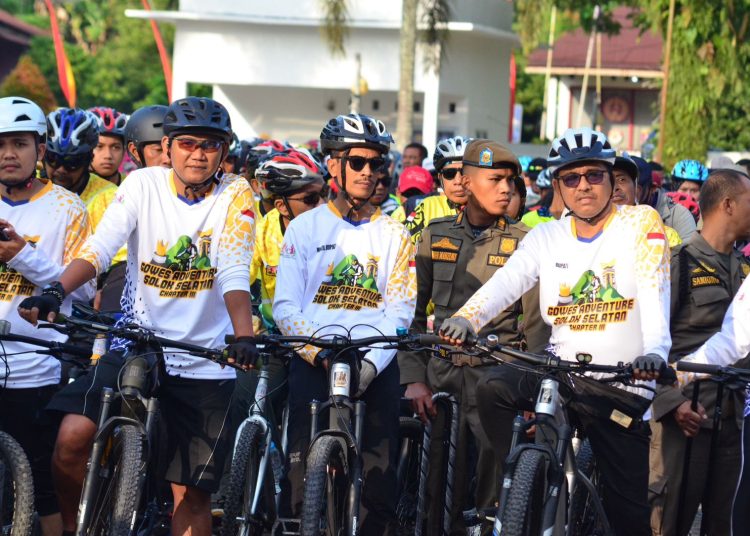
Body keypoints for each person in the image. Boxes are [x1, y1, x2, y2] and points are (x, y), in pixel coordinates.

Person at [18, 96, 257, 536]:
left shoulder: (236, 193)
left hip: (203, 358)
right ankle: (73, 529)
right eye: (187, 143)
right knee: (71, 438)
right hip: (135, 339)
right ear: (167, 147)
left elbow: (233, 267)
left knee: (192, 496)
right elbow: (101, 247)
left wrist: (243, 335)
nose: (198, 154)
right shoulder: (142, 184)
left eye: (210, 145)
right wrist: (55, 290)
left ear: (224, 152)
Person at [439, 127, 671, 536]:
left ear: (611, 178)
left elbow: (655, 291)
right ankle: (526, 472)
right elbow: (508, 281)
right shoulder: (548, 234)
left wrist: (653, 352)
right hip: (562, 375)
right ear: (558, 185)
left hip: (620, 384)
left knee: (630, 520)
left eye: (594, 176)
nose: (583, 186)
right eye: (571, 178)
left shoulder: (640, 223)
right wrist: (467, 318)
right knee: (493, 388)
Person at [273, 113, 416, 534]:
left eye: (377, 164)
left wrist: (372, 364)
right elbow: (285, 306)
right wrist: (316, 353)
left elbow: (401, 312)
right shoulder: (303, 227)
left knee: (378, 490)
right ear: (333, 165)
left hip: (374, 362)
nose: (368, 172)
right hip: (314, 357)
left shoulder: (395, 234)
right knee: (301, 491)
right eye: (357, 162)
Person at [398, 139, 547, 534]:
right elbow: (412, 313)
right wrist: (414, 378)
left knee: (494, 494)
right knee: (433, 494)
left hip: (495, 382)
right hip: (440, 380)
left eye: (510, 181)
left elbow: (535, 327)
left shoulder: (525, 242)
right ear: (465, 181)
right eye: (495, 179)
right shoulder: (434, 235)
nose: (506, 189)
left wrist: (531, 394)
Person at [0, 96, 95, 536]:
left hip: (36, 364)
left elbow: (88, 289)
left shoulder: (67, 208)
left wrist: (23, 255)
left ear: (40, 149)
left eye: (19, 143)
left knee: (40, 481)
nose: (8, 154)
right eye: (0, 145)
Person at [649, 169, 750, 536]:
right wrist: (671, 402)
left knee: (723, 526)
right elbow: (648, 345)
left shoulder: (745, 269)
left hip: (732, 422)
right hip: (684, 420)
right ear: (727, 204)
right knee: (669, 522)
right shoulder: (680, 262)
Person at [397, 136, 472, 242]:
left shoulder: (489, 207)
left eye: (465, 173)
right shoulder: (427, 206)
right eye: (449, 174)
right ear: (440, 178)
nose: (458, 181)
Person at [44, 108, 116, 209]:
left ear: (89, 160)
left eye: (72, 162)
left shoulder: (109, 199)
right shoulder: (28, 187)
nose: (61, 169)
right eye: (53, 158)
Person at [612, 154, 682, 247]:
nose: (615, 187)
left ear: (637, 189)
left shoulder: (664, 236)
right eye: (609, 180)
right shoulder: (589, 233)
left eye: (622, 179)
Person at [88, 107, 128, 186]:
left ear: (124, 150)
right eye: (99, 146)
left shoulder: (133, 187)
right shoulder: (68, 190)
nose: (108, 156)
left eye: (116, 147)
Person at [124, 104, 170, 169]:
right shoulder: (131, 179)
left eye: (172, 150)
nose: (168, 160)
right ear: (135, 152)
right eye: (158, 150)